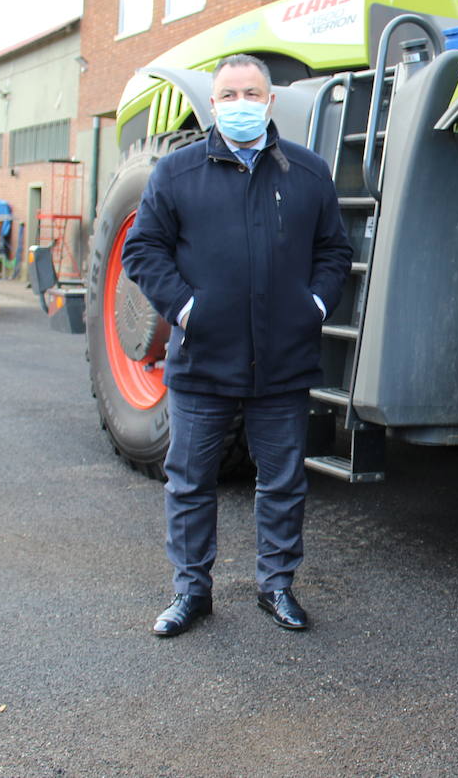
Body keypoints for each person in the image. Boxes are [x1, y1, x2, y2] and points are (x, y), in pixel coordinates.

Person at [123, 53, 352, 636]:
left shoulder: (307, 173)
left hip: (282, 364)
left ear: (269, 102)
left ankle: (276, 587)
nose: (241, 105)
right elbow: (142, 250)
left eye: (252, 94)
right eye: (229, 95)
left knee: (281, 482)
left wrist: (315, 305)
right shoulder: (176, 173)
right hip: (202, 364)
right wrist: (188, 309)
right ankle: (190, 593)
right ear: (214, 104)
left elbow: (333, 251)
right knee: (191, 482)